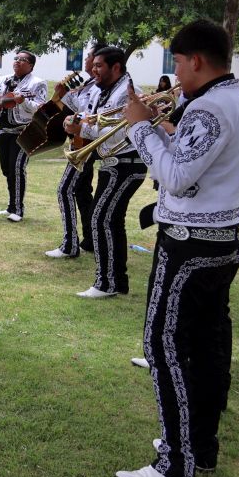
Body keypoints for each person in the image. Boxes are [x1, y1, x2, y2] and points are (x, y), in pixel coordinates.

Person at [115, 19, 239, 477]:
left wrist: (140, 130)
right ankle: (199, 446)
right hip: (220, 243)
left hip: (190, 245)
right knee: (205, 346)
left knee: (163, 344)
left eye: (176, 61)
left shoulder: (209, 107)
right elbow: (198, 165)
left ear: (195, 60)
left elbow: (175, 178)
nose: (174, 71)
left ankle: (176, 461)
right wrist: (163, 129)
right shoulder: (234, 99)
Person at [65, 47, 147, 296]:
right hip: (111, 163)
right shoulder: (103, 89)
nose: (93, 69)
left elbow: (117, 136)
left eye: (99, 65)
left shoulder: (129, 93)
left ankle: (108, 283)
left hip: (126, 163)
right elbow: (91, 117)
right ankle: (114, 282)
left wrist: (82, 130)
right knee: (108, 219)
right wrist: (76, 121)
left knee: (102, 218)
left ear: (116, 68)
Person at [46, 45, 102, 259]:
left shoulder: (105, 87)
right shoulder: (88, 83)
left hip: (91, 144)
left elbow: (92, 114)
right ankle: (89, 239)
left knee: (65, 190)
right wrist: (59, 94)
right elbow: (72, 108)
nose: (86, 60)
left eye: (89, 57)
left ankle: (70, 244)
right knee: (81, 191)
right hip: (81, 142)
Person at [0, 51, 47, 221]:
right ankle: (11, 206)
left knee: (17, 168)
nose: (17, 62)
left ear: (31, 65)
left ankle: (18, 210)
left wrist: (24, 101)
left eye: (22, 60)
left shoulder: (38, 83)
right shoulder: (3, 79)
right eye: (16, 59)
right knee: (7, 169)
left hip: (24, 131)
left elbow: (40, 108)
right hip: (3, 129)